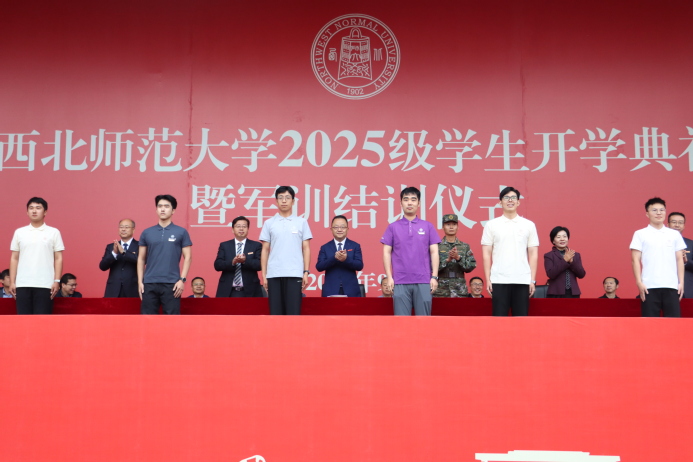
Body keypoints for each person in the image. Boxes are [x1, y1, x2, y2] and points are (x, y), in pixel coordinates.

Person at [381, 186, 440, 316]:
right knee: (401, 322)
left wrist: (434, 277)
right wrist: (389, 277)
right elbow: (386, 252)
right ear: (401, 203)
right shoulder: (393, 227)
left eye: (413, 199)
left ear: (418, 203)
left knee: (424, 321)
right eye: (406, 199)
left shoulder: (428, 226)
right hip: (400, 280)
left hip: (423, 280)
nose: (409, 203)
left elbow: (434, 252)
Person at [481, 186, 539, 316]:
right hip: (499, 279)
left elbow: (533, 254)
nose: (510, 200)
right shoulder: (491, 225)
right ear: (500, 202)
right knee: (499, 320)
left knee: (521, 320)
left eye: (513, 197)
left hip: (522, 279)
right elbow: (486, 254)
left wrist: (532, 280)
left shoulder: (528, 225)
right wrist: (488, 279)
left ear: (518, 202)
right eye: (506, 197)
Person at [260, 186, 312, 315]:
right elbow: (265, 250)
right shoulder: (269, 223)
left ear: (293, 201)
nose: (284, 201)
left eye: (287, 198)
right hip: (274, 273)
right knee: (275, 313)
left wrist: (305, 272)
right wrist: (264, 275)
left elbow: (306, 248)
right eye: (281, 198)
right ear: (276, 201)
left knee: (293, 313)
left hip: (295, 272)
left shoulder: (301, 222)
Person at [137, 194, 192, 315]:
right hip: (149, 283)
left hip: (172, 283)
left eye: (166, 206)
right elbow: (141, 259)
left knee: (172, 320)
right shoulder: (147, 232)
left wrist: (182, 280)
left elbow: (188, 257)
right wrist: (140, 282)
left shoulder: (181, 232)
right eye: (160, 206)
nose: (162, 209)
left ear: (173, 210)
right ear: (156, 209)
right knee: (147, 319)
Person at [630, 197, 686, 317]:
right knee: (649, 322)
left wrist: (681, 282)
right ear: (647, 214)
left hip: (671, 285)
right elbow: (635, 260)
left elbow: (679, 259)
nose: (659, 213)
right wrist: (639, 282)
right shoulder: (640, 234)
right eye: (654, 210)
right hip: (649, 286)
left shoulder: (674, 234)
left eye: (662, 210)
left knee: (673, 322)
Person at [9, 197, 64, 314]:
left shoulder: (53, 232)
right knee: (23, 319)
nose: (34, 211)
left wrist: (57, 280)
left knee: (42, 319)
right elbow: (14, 258)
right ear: (27, 212)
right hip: (22, 283)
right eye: (31, 208)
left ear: (45, 212)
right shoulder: (19, 232)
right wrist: (13, 282)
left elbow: (58, 258)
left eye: (38, 208)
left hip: (45, 284)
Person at [214, 216, 263, 297]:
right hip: (228, 291)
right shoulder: (225, 245)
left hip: (250, 290)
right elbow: (217, 265)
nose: (241, 229)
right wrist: (232, 262)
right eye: (238, 226)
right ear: (232, 229)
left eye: (244, 226)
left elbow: (260, 265)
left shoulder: (256, 245)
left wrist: (245, 261)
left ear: (248, 229)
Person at [315, 215, 363, 297]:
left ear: (347, 229)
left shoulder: (355, 246)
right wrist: (334, 258)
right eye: (336, 227)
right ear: (331, 229)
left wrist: (346, 259)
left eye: (343, 227)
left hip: (351, 290)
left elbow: (359, 266)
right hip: (331, 289)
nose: (339, 230)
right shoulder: (325, 247)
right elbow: (319, 267)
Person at [433, 213, 476, 297]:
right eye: (448, 224)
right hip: (441, 289)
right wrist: (447, 261)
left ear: (458, 227)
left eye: (454, 224)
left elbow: (471, 266)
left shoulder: (464, 246)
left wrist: (458, 258)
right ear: (443, 227)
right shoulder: (436, 246)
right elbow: (431, 267)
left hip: (459, 289)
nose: (451, 227)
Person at [98, 218, 139, 297]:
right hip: (113, 290)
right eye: (121, 227)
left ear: (133, 230)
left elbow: (140, 260)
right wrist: (114, 253)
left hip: (133, 289)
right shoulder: (111, 247)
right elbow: (102, 266)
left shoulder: (140, 245)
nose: (123, 229)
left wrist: (124, 252)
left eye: (126, 227)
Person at [544, 226, 586, 298]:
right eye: (558, 237)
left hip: (573, 293)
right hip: (555, 293)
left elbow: (581, 274)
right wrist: (565, 260)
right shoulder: (549, 255)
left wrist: (572, 262)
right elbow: (551, 274)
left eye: (564, 236)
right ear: (553, 241)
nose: (562, 239)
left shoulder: (575, 255)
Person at [668, 212, 693, 299]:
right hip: (665, 286)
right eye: (674, 222)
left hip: (688, 289)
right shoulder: (659, 243)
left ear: (684, 226)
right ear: (668, 224)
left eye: (680, 222)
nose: (677, 225)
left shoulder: (691, 244)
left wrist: (686, 262)